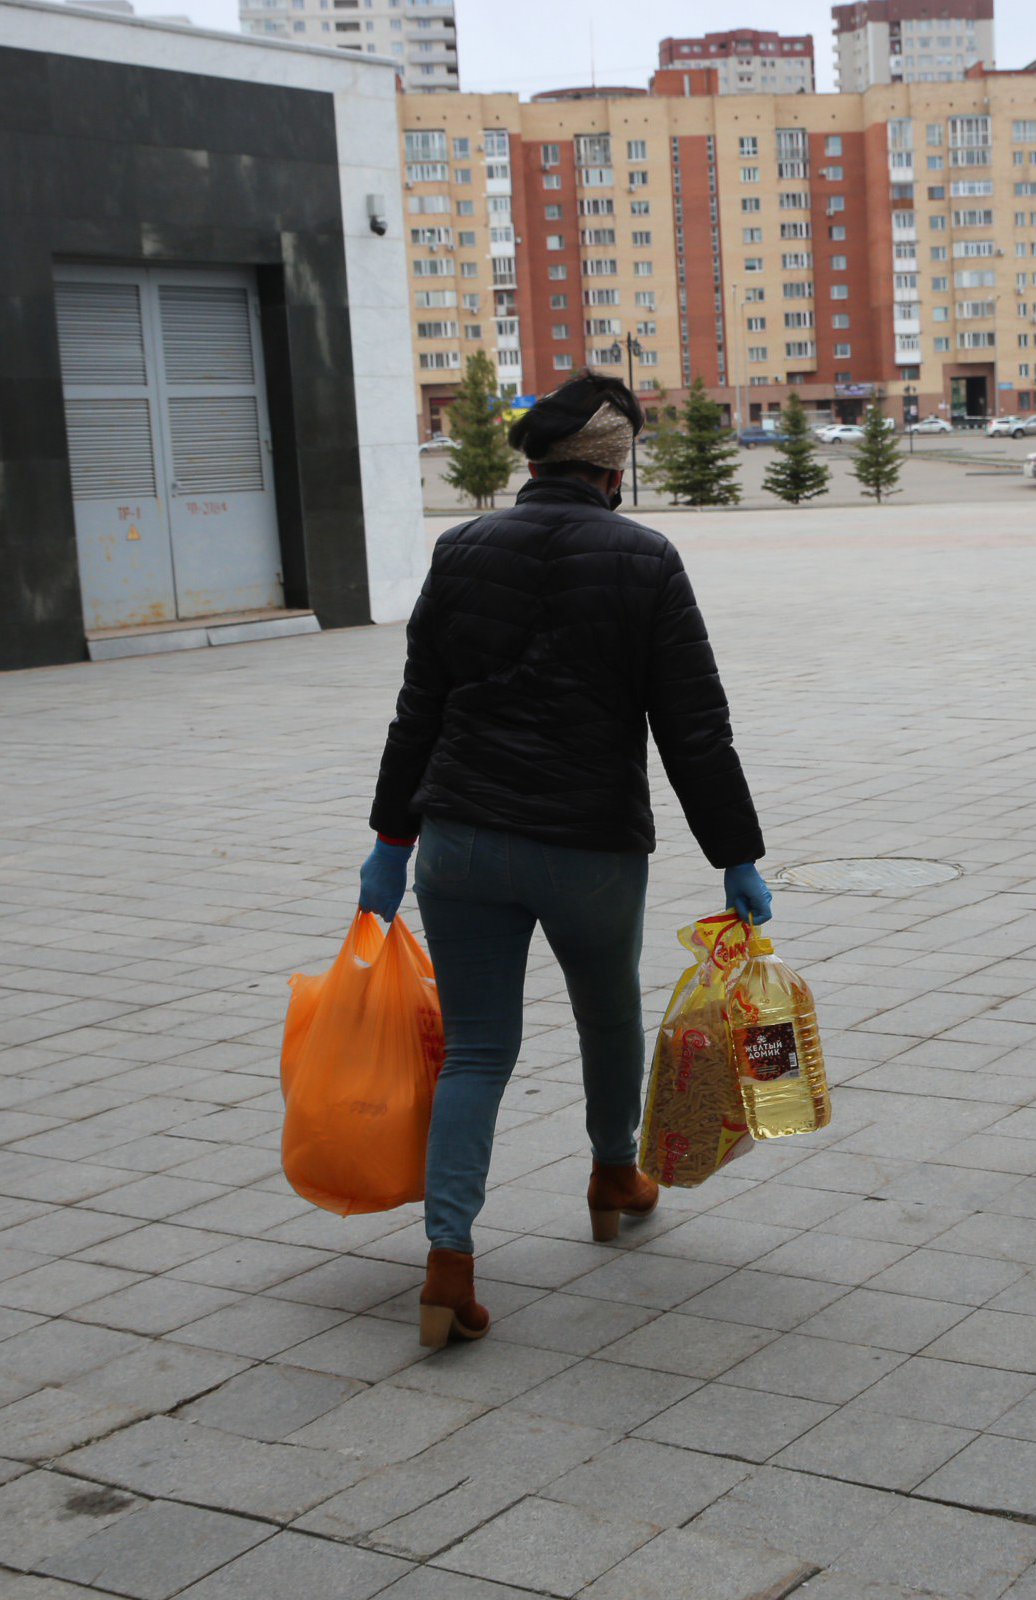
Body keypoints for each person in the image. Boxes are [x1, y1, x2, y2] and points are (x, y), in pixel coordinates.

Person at [361, 372, 775, 1349]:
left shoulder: (461, 549)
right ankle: (612, 1174)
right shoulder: (646, 559)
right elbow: (694, 729)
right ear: (612, 470)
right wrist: (737, 856)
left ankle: (448, 1264)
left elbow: (419, 711)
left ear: (537, 463)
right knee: (608, 1013)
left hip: (460, 841)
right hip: (589, 849)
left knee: (476, 1051)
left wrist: (389, 843)